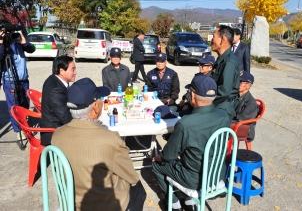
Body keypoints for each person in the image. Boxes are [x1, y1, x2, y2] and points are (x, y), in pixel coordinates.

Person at [51, 78, 146, 211]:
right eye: (101, 99)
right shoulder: (110, 139)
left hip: (72, 202)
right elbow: (131, 176)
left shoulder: (57, 135)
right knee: (139, 190)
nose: (102, 101)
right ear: (95, 106)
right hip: (105, 205)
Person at [152, 73, 229, 211]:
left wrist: (159, 157)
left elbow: (169, 156)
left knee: (158, 165)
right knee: (192, 157)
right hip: (218, 174)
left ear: (192, 96)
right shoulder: (224, 116)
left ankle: (174, 205)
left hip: (194, 179)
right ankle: (189, 202)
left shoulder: (186, 124)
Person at [0, 20, 35, 140]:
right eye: (8, 32)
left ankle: (25, 125)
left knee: (25, 103)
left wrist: (24, 43)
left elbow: (32, 49)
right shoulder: (2, 43)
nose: (10, 34)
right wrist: (1, 43)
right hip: (10, 80)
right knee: (14, 105)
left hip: (23, 79)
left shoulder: (18, 40)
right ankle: (18, 130)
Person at [40, 55, 76, 146]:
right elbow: (66, 119)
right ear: (61, 71)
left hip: (57, 123)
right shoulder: (55, 90)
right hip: (54, 133)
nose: (75, 72)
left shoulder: (54, 79)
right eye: (73, 69)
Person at [210, 25, 240, 121]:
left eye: (213, 36)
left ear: (222, 39)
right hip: (215, 105)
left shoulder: (229, 62)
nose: (211, 40)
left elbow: (224, 92)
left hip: (221, 109)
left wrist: (204, 103)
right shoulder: (221, 59)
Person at [233, 71, 258, 141]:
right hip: (233, 124)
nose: (237, 83)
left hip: (243, 129)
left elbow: (241, 120)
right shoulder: (235, 95)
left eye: (240, 82)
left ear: (248, 85)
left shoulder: (251, 103)